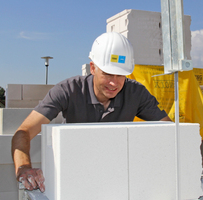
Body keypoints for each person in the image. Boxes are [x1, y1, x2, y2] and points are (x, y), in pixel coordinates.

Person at [11, 32, 171, 193]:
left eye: (120, 75)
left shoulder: (136, 93)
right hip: (73, 175)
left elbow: (169, 131)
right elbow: (23, 132)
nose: (114, 83)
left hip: (116, 177)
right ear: (93, 68)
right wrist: (24, 168)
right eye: (107, 73)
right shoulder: (68, 91)